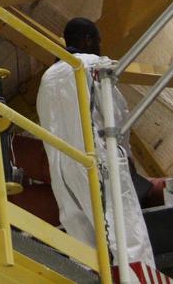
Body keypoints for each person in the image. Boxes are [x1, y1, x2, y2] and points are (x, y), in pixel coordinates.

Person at [35, 18, 155, 270]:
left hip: (61, 171)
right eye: (98, 41)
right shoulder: (92, 66)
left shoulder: (46, 79)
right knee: (125, 229)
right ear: (88, 40)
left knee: (81, 238)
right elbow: (116, 114)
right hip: (97, 161)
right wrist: (127, 155)